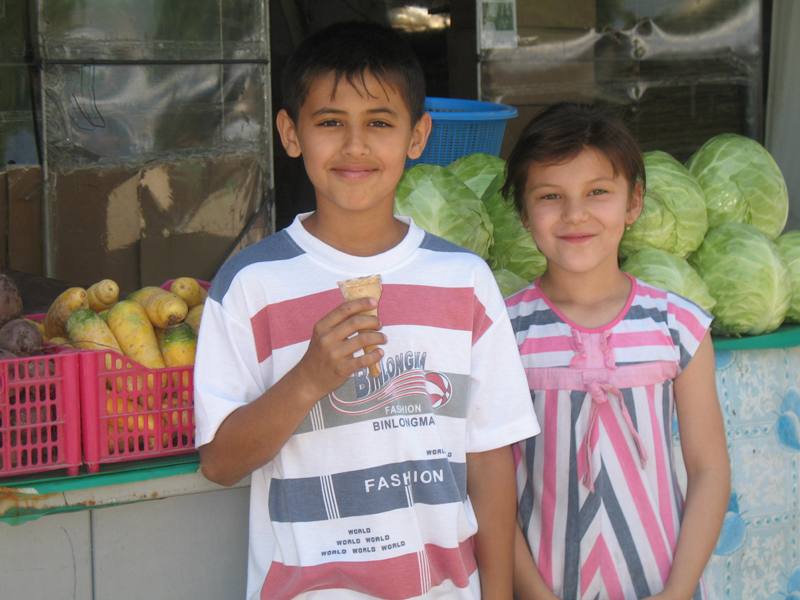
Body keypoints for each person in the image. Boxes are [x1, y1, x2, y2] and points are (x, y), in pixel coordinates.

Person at [193, 20, 540, 600]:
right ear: (290, 132)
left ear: (417, 135)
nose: (354, 146)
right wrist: (308, 379)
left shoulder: (465, 282)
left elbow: (489, 460)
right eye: (330, 123)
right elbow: (221, 463)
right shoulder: (250, 285)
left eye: (379, 123)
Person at [503, 103, 730, 600]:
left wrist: (677, 591)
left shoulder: (679, 325)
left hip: (662, 582)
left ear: (634, 203)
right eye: (549, 196)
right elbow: (491, 490)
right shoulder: (502, 331)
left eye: (598, 192)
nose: (575, 214)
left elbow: (710, 469)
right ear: (522, 210)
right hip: (543, 586)